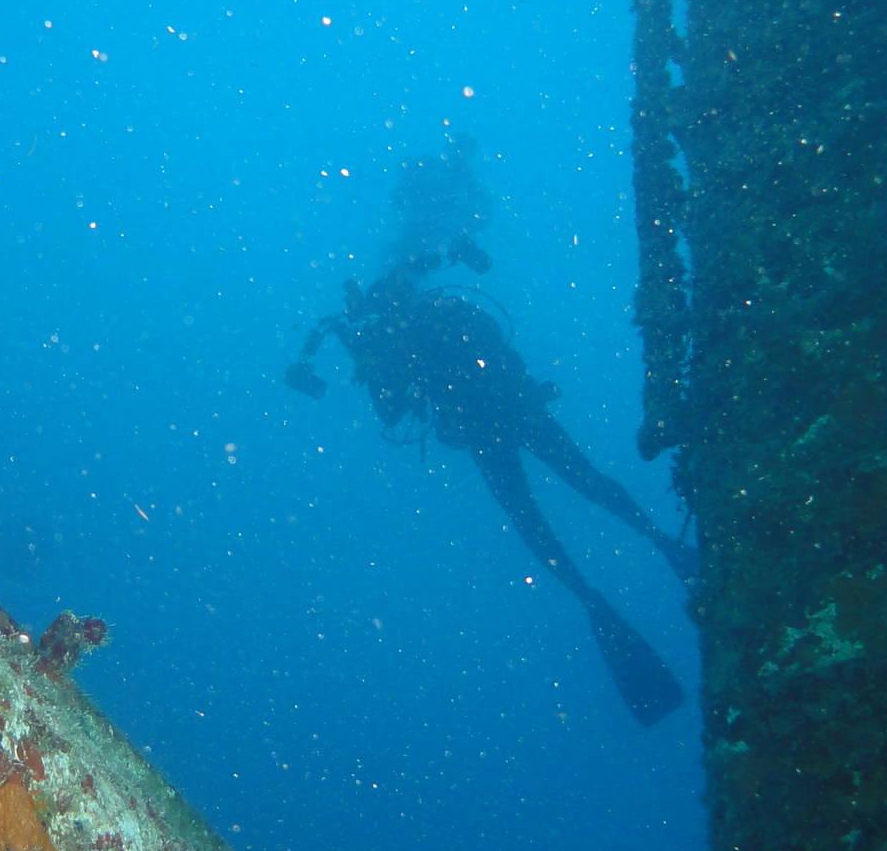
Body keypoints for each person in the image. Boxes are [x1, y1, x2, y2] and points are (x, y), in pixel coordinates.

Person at [288, 252, 696, 725]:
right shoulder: (447, 315)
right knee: (587, 487)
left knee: (535, 523)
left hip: (487, 432)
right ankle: (663, 547)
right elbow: (497, 348)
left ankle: (597, 597)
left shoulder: (402, 343)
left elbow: (393, 413)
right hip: (516, 411)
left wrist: (364, 352)